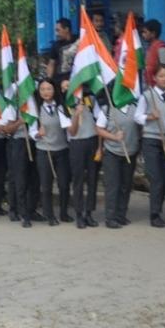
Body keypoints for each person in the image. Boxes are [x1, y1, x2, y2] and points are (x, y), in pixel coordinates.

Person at [135, 64, 165, 228]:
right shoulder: (147, 96)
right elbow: (137, 117)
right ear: (154, 78)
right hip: (151, 139)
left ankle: (158, 209)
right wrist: (149, 117)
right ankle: (154, 214)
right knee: (156, 177)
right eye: (161, 76)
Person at [96, 88, 141, 229]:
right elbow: (99, 129)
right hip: (112, 152)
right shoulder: (108, 109)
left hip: (130, 151)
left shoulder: (135, 108)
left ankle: (121, 215)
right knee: (113, 185)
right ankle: (110, 217)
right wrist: (114, 137)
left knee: (126, 185)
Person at [34, 78, 72, 226]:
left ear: (54, 90)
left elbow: (68, 128)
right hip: (44, 150)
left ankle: (64, 213)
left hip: (62, 149)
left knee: (63, 184)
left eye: (48, 89)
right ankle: (49, 215)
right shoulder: (36, 109)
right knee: (46, 184)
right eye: (42, 89)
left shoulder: (61, 107)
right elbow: (31, 131)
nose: (46, 92)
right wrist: (38, 133)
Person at [0, 97, 35, 227]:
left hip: (35, 142)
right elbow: (6, 129)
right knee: (19, 179)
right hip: (18, 143)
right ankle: (20, 211)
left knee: (33, 180)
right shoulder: (13, 106)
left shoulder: (34, 102)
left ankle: (32, 209)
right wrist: (20, 122)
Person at [68, 85, 101, 229]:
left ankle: (89, 213)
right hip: (77, 143)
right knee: (78, 180)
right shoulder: (66, 103)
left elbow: (100, 123)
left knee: (92, 178)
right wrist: (76, 114)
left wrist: (100, 146)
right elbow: (72, 132)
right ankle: (79, 214)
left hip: (92, 141)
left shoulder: (91, 100)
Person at [141, 20, 165, 87]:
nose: (143, 35)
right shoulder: (150, 48)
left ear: (153, 34)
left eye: (145, 32)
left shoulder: (161, 49)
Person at [47, 18, 77, 84]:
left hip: (76, 80)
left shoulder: (79, 41)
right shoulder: (55, 45)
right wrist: (48, 80)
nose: (56, 34)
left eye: (58, 30)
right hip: (60, 82)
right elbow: (51, 64)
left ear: (66, 29)